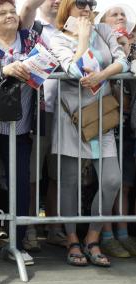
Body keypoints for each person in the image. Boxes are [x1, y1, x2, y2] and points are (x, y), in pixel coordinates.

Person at [50, 0, 129, 267]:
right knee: (68, 182)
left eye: (91, 3)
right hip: (70, 118)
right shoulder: (57, 37)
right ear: (67, 7)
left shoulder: (105, 31)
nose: (87, 8)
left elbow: (123, 62)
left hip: (101, 117)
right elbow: (72, 69)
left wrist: (102, 75)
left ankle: (92, 237)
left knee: (112, 180)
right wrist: (82, 37)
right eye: (80, 3)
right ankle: (73, 239)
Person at [0, 0, 45, 266]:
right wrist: (4, 70)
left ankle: (17, 240)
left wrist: (28, 68)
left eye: (12, 11)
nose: (9, 16)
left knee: (21, 183)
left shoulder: (31, 38)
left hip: (22, 125)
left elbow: (50, 65)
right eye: (1, 13)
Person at [19, 0, 68, 252]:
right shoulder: (33, 27)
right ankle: (29, 229)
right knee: (33, 175)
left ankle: (55, 229)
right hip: (38, 112)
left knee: (57, 174)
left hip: (66, 114)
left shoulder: (69, 29)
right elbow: (26, 10)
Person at [93, 3, 136, 259]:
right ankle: (105, 235)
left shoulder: (129, 44)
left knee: (125, 182)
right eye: (114, 14)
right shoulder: (100, 44)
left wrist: (128, 47)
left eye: (123, 14)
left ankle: (123, 232)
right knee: (108, 181)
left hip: (128, 123)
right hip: (106, 120)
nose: (120, 17)